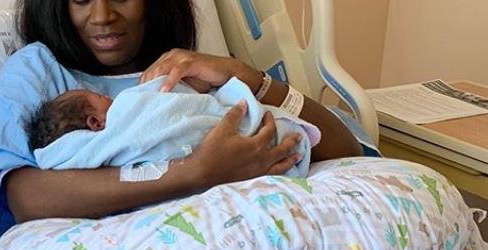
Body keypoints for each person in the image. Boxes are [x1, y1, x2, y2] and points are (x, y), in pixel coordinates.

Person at [0, 0, 365, 250]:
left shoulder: (188, 72)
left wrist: (248, 78)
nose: (100, 16)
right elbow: (24, 196)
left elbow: (345, 151)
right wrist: (195, 172)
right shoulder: (39, 70)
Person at [26, 76, 321, 178]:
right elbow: (166, 103)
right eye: (101, 98)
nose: (111, 97)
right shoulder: (127, 107)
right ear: (95, 122)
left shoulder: (94, 160)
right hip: (241, 136)